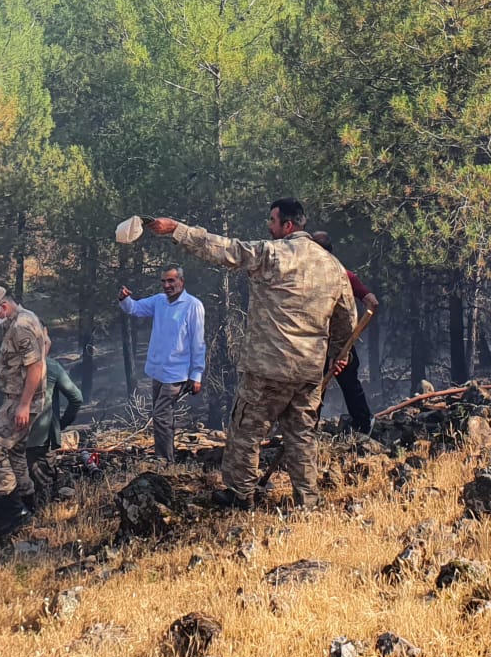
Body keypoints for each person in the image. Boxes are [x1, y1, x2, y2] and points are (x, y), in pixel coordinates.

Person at [143, 198, 354, 510]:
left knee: (245, 432)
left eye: (272, 221)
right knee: (302, 436)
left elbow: (223, 249)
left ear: (288, 226)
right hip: (309, 371)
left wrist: (176, 230)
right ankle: (308, 501)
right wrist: (339, 354)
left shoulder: (271, 254)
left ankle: (242, 496)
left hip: (268, 367)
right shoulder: (333, 268)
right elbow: (346, 319)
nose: (269, 228)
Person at [0, 283, 48, 528]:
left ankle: (13, 512)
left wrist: (24, 405)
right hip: (18, 397)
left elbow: (35, 365)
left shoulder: (20, 326)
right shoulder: (27, 318)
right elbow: (46, 344)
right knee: (15, 451)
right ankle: (28, 501)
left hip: (21, 400)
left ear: (3, 306)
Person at [0, 345, 83, 499]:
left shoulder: (6, 364)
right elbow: (76, 398)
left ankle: (20, 514)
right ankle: (40, 516)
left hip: (11, 437)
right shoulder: (51, 366)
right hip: (41, 439)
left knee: (16, 487)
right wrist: (60, 424)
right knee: (44, 491)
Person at [116, 267, 206, 464]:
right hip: (158, 370)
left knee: (161, 414)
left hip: (177, 372)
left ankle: (164, 459)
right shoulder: (159, 301)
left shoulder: (193, 306)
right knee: (161, 415)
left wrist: (196, 375)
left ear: (182, 281)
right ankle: (164, 455)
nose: (167, 285)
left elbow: (198, 342)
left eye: (171, 281)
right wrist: (124, 299)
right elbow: (136, 308)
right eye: (164, 281)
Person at [309, 232, 379, 434]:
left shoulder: (338, 276)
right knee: (331, 386)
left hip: (333, 344)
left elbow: (371, 302)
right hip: (326, 343)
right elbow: (372, 302)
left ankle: (363, 424)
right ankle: (362, 424)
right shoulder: (345, 274)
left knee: (325, 387)